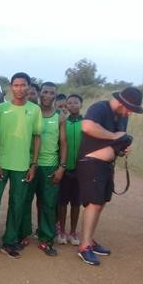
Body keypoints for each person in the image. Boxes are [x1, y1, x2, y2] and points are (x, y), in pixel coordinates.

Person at [76, 87, 143, 266]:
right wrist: (114, 136)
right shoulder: (99, 108)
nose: (130, 112)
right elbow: (87, 126)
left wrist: (122, 148)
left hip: (106, 165)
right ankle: (84, 246)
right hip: (91, 163)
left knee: (101, 203)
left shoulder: (123, 116)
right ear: (121, 102)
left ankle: (89, 240)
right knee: (94, 203)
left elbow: (117, 140)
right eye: (130, 108)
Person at [0, 72, 42, 260]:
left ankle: (10, 241)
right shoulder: (1, 108)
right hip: (1, 164)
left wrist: (33, 164)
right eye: (16, 85)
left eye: (23, 85)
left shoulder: (34, 110)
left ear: (29, 87)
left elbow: (37, 137)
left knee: (17, 203)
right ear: (11, 87)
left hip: (22, 165)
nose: (19, 89)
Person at [18, 81, 67, 256]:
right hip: (29, 163)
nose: (47, 96)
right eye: (45, 92)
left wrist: (62, 167)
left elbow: (63, 143)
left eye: (51, 93)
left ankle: (46, 238)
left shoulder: (60, 116)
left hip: (50, 165)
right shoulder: (32, 111)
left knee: (48, 203)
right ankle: (23, 234)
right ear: (40, 93)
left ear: (55, 95)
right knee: (25, 200)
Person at [57, 94, 84, 245]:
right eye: (70, 103)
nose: (72, 105)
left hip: (80, 170)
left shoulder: (86, 123)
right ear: (66, 106)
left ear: (81, 105)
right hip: (65, 168)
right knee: (62, 202)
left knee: (76, 202)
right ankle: (61, 231)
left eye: (76, 102)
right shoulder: (63, 123)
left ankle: (73, 232)